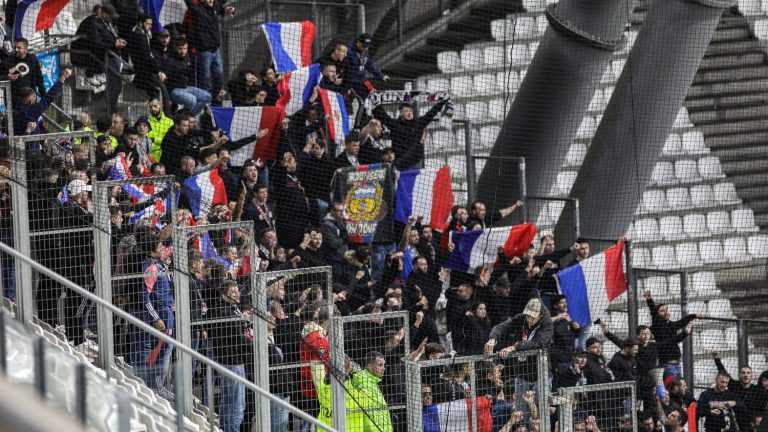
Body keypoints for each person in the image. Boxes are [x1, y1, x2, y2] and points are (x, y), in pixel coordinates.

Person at [209, 280, 250, 432]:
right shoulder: (226, 312)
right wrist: (255, 343)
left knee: (227, 402)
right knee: (236, 407)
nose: (236, 294)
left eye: (237, 291)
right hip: (233, 363)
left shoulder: (229, 310)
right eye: (232, 292)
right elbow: (238, 338)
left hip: (226, 362)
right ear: (223, 294)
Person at [71, 3, 126, 113]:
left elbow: (109, 36)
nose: (112, 18)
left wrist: (117, 40)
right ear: (104, 14)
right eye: (110, 16)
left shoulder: (105, 22)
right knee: (114, 83)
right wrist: (114, 45)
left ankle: (111, 108)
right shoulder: (92, 23)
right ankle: (111, 110)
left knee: (117, 83)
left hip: (104, 55)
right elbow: (96, 44)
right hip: (88, 56)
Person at [372, 101, 447, 170]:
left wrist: (441, 103)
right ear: (400, 113)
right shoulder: (394, 125)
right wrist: (374, 102)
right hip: (399, 164)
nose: (409, 113)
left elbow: (430, 114)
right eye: (406, 111)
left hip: (413, 163)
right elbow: (383, 116)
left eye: (411, 111)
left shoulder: (417, 123)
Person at [184, 0, 235, 98]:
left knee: (219, 77)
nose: (211, 0)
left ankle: (211, 98)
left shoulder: (214, 7)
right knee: (204, 79)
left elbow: (220, 6)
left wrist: (227, 9)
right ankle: (203, 101)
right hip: (204, 51)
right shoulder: (197, 10)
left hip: (216, 50)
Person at [644, 290, 696, 379]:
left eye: (667, 310)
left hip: (676, 364)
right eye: (662, 311)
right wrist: (649, 300)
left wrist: (694, 316)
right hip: (667, 365)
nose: (666, 312)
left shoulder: (670, 324)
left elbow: (681, 322)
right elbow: (654, 313)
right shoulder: (658, 325)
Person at [13, 66, 72, 138]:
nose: (36, 100)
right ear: (31, 101)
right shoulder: (33, 111)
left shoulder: (11, 113)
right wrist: (63, 78)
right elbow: (49, 97)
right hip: (31, 147)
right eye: (35, 98)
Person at [711, 350, 762, 431]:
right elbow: (722, 371)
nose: (746, 375)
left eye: (748, 373)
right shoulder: (734, 386)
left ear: (752, 375)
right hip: (735, 424)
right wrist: (716, 358)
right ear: (740, 375)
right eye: (743, 373)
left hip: (751, 425)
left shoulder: (756, 390)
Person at [161, 37, 212, 115]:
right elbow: (164, 80)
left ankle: (187, 117)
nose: (182, 51)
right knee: (192, 100)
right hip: (174, 91)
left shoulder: (188, 58)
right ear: (175, 48)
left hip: (186, 87)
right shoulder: (170, 60)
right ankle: (184, 118)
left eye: (185, 48)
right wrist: (167, 98)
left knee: (207, 96)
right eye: (180, 49)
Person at [127, 13, 169, 103]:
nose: (150, 26)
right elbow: (146, 57)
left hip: (144, 70)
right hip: (144, 71)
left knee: (158, 91)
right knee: (160, 90)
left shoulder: (141, 33)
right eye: (147, 24)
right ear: (140, 23)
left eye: (150, 24)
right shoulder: (139, 35)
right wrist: (158, 71)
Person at [352, 351, 394, 432]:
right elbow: (370, 415)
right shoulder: (364, 382)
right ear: (370, 366)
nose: (383, 368)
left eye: (383, 365)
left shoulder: (370, 381)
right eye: (380, 365)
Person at [1, 38, 45, 104]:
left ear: (25, 49)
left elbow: (39, 78)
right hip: (13, 101)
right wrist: (8, 77)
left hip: (29, 101)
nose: (16, 49)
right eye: (15, 47)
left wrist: (44, 95)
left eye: (19, 48)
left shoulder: (32, 59)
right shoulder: (9, 60)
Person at [345, 33, 388, 98]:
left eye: (367, 46)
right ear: (359, 42)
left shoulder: (365, 50)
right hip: (352, 83)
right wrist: (346, 86)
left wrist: (381, 76)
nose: (365, 48)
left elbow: (369, 64)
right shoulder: (348, 51)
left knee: (374, 99)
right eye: (364, 46)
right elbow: (344, 69)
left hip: (362, 81)